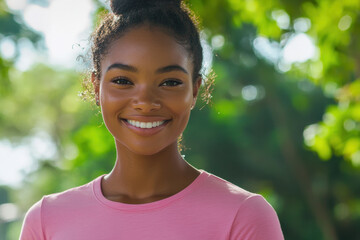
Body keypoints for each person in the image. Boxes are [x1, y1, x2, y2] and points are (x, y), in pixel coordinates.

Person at [20, 0, 284, 239]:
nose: (145, 102)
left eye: (170, 82)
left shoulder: (243, 217)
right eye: (123, 81)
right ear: (96, 87)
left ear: (194, 90)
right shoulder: (46, 221)